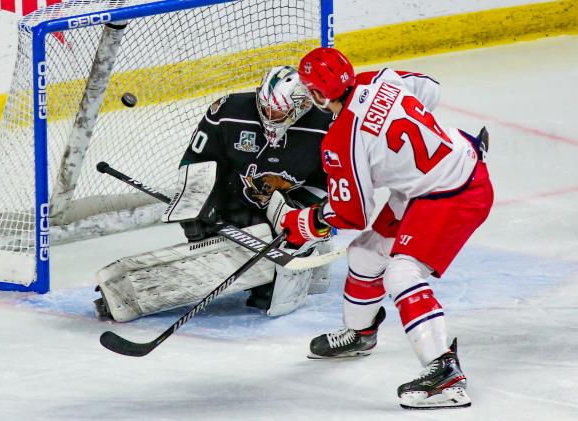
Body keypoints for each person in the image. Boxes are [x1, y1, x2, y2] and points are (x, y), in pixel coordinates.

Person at [274, 48, 493, 409]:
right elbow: (429, 89)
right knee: (365, 252)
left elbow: (352, 213)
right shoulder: (380, 78)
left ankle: (444, 375)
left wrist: (307, 222)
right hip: (445, 167)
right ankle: (361, 334)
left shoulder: (341, 141)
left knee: (402, 272)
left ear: (316, 94)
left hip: (456, 191)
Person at [93, 66, 335, 322]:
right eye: (264, 106)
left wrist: (302, 213)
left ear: (300, 108)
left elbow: (332, 181)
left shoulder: (327, 126)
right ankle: (125, 292)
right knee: (216, 250)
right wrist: (195, 203)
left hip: (286, 209)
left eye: (277, 111)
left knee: (268, 292)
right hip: (232, 203)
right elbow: (198, 161)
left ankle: (308, 257)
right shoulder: (228, 111)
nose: (268, 114)